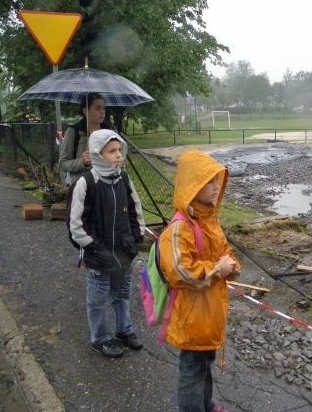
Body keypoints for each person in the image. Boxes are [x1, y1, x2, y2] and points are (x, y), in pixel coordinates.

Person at [158, 149, 241, 412]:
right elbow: (180, 270)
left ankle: (207, 405)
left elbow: (224, 250)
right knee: (191, 371)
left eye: (218, 180)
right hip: (192, 314)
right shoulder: (179, 227)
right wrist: (217, 270)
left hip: (210, 311)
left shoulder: (208, 218)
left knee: (204, 365)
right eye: (209, 181)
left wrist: (231, 265)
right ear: (193, 185)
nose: (217, 186)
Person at [69, 129, 145, 358]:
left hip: (122, 253)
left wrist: (136, 237)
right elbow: (76, 225)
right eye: (112, 151)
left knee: (122, 293)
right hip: (99, 256)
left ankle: (124, 330)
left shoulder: (123, 178)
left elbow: (135, 209)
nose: (119, 155)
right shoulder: (86, 183)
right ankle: (100, 338)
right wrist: (96, 249)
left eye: (119, 150)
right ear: (97, 154)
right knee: (98, 299)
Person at [59, 93, 110, 186]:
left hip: (106, 188)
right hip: (82, 190)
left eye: (104, 108)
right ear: (86, 110)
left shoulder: (110, 133)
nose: (102, 112)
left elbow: (120, 162)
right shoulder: (73, 132)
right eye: (98, 108)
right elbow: (63, 164)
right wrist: (82, 162)